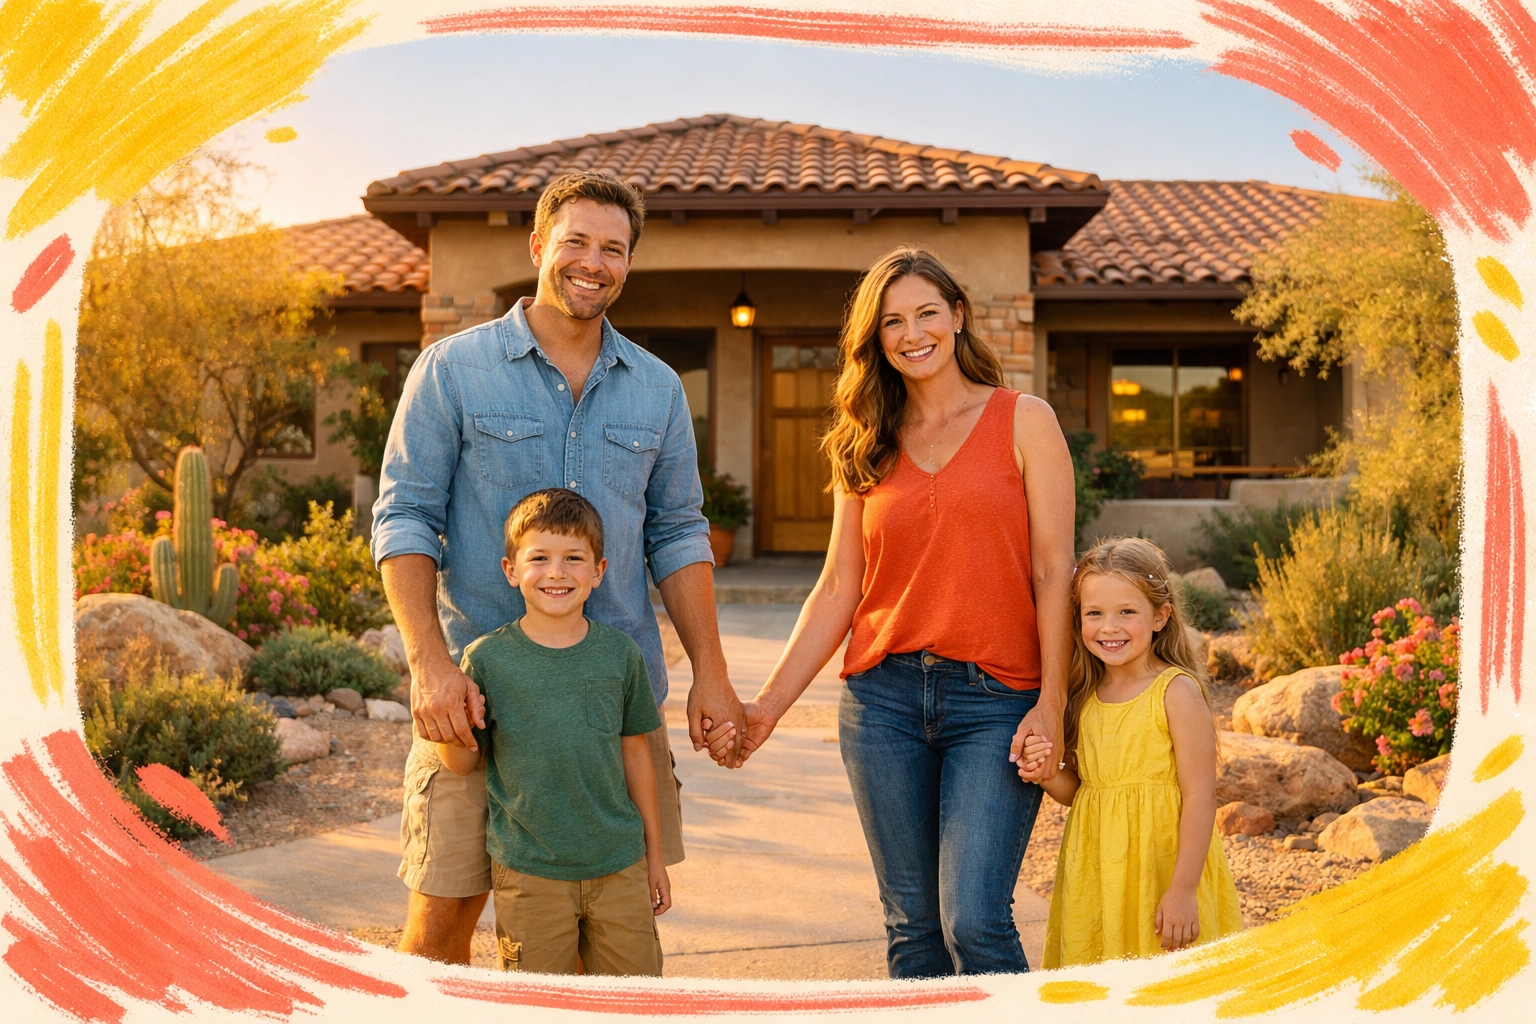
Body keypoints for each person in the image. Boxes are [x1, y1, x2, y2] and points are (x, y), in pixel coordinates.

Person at [372, 170, 745, 965]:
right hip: (476, 707)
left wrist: (711, 669)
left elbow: (679, 533)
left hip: (611, 718)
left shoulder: (657, 389)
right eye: (575, 240)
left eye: (613, 248)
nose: (593, 261)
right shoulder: (451, 370)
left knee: (599, 938)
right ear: (539, 245)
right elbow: (405, 516)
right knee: (441, 926)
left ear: (628, 264)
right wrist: (428, 665)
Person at [702, 245, 1077, 977]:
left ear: (958, 316)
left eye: (927, 313)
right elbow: (839, 587)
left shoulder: (1023, 420)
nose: (913, 334)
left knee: (974, 919)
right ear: (875, 340)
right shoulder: (864, 440)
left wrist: (1053, 705)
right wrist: (767, 708)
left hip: (997, 698)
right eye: (893, 322)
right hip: (883, 703)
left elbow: (1053, 570)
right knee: (912, 930)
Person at [437, 489, 670, 975]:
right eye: (539, 558)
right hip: (530, 873)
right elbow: (461, 763)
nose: (557, 572)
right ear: (511, 570)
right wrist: (451, 721)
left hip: (619, 867)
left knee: (638, 1001)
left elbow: (636, 757)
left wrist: (655, 857)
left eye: (574, 558)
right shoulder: (485, 660)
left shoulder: (621, 656)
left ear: (598, 571)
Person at [1017, 537, 1244, 967]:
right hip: (1099, 871)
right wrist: (1046, 773)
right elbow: (1083, 792)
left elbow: (1200, 797)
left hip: (1163, 868)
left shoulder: (1175, 691)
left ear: (1160, 616)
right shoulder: (1084, 695)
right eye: (1094, 613)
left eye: (1127, 612)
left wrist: (1182, 890)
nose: (1109, 627)